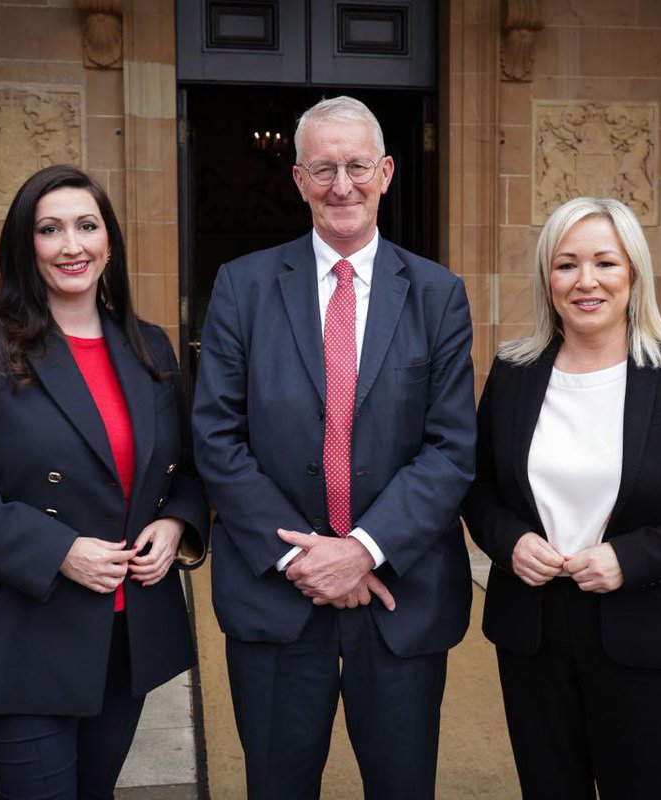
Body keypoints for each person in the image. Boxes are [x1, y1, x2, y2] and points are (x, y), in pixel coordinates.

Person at [192, 95, 476, 800]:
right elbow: (216, 437)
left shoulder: (439, 295)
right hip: (276, 595)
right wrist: (303, 556)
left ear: (385, 172)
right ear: (297, 178)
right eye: (323, 168)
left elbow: (451, 447)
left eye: (355, 166)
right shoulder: (242, 287)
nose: (340, 185)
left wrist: (361, 550)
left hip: (398, 597)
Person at [0, 164, 208, 799]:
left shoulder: (151, 347)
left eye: (87, 226)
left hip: (124, 638)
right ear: (26, 244)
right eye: (51, 229)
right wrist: (59, 551)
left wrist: (176, 522)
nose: (72, 245)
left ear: (109, 240)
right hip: (23, 634)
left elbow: (189, 468)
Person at [462, 197, 661, 800]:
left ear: (634, 274)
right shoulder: (515, 371)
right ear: (548, 279)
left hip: (651, 631)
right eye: (566, 265)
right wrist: (510, 541)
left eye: (605, 263)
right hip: (535, 634)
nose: (586, 281)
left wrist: (633, 558)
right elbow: (478, 485)